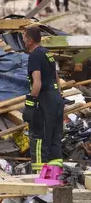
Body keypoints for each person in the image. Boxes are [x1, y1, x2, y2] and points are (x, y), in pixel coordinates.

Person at [22, 26, 63, 174]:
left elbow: (37, 82)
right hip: (56, 99)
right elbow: (56, 77)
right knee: (54, 140)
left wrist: (30, 104)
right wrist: (59, 96)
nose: (23, 41)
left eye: (24, 38)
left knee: (40, 140)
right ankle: (54, 178)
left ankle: (41, 181)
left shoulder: (34, 56)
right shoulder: (47, 53)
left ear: (30, 40)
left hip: (44, 100)